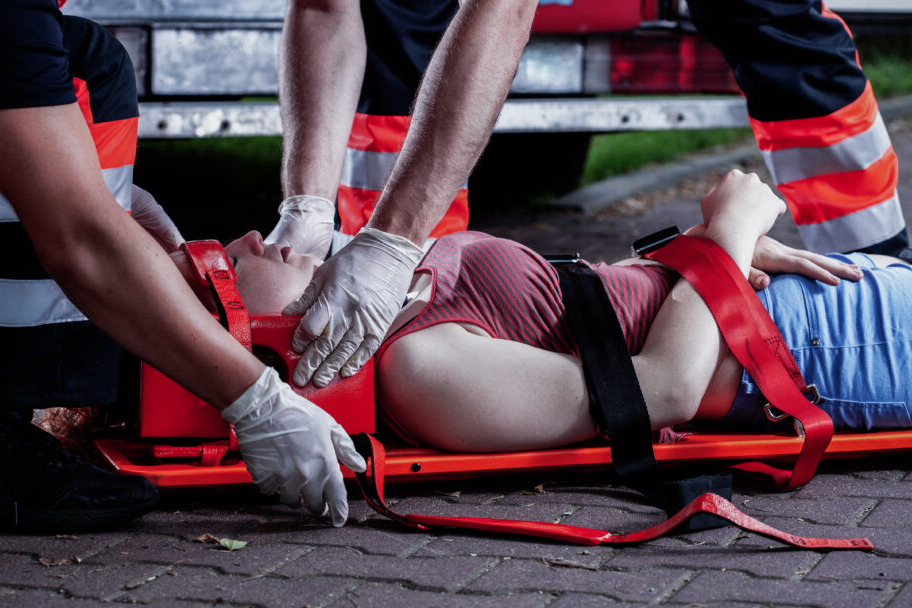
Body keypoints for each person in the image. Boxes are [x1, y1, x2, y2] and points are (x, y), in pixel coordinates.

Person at [0, 0, 364, 533]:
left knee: (43, 127)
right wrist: (257, 401)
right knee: (79, 83)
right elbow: (81, 238)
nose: (256, 241)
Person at [266, 0, 907, 392]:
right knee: (397, 18)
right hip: (744, 325)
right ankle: (393, 310)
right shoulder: (437, 381)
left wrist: (390, 245)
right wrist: (307, 206)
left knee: (772, 25)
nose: (240, 242)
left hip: (823, 330)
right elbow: (323, 7)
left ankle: (882, 257)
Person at [230, 169, 909, 452]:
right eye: (226, 270)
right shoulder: (418, 369)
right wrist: (729, 232)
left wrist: (716, 249)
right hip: (817, 348)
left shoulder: (384, 298)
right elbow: (660, 392)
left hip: (795, 301)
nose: (250, 241)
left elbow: (596, 304)